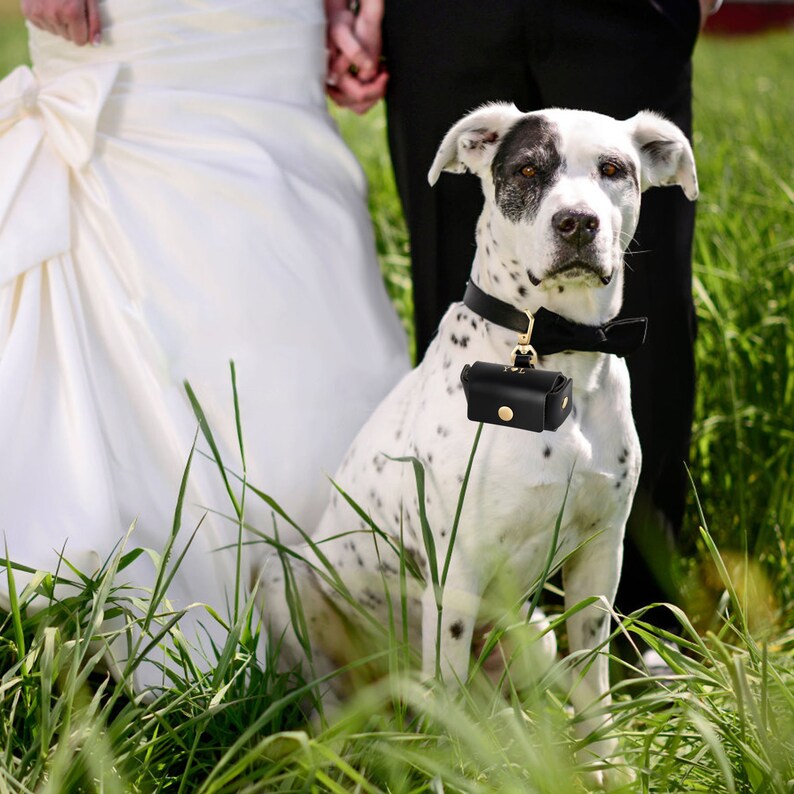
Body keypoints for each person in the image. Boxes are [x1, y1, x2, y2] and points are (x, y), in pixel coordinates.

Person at [0, 0, 409, 687]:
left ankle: (339, 630)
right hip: (133, 26)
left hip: (273, 33)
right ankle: (138, 642)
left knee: (302, 321)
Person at [327, 0, 721, 620]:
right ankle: (478, 617)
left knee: (649, 312)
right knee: (458, 280)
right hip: (444, 19)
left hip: (630, 16)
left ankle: (644, 624)